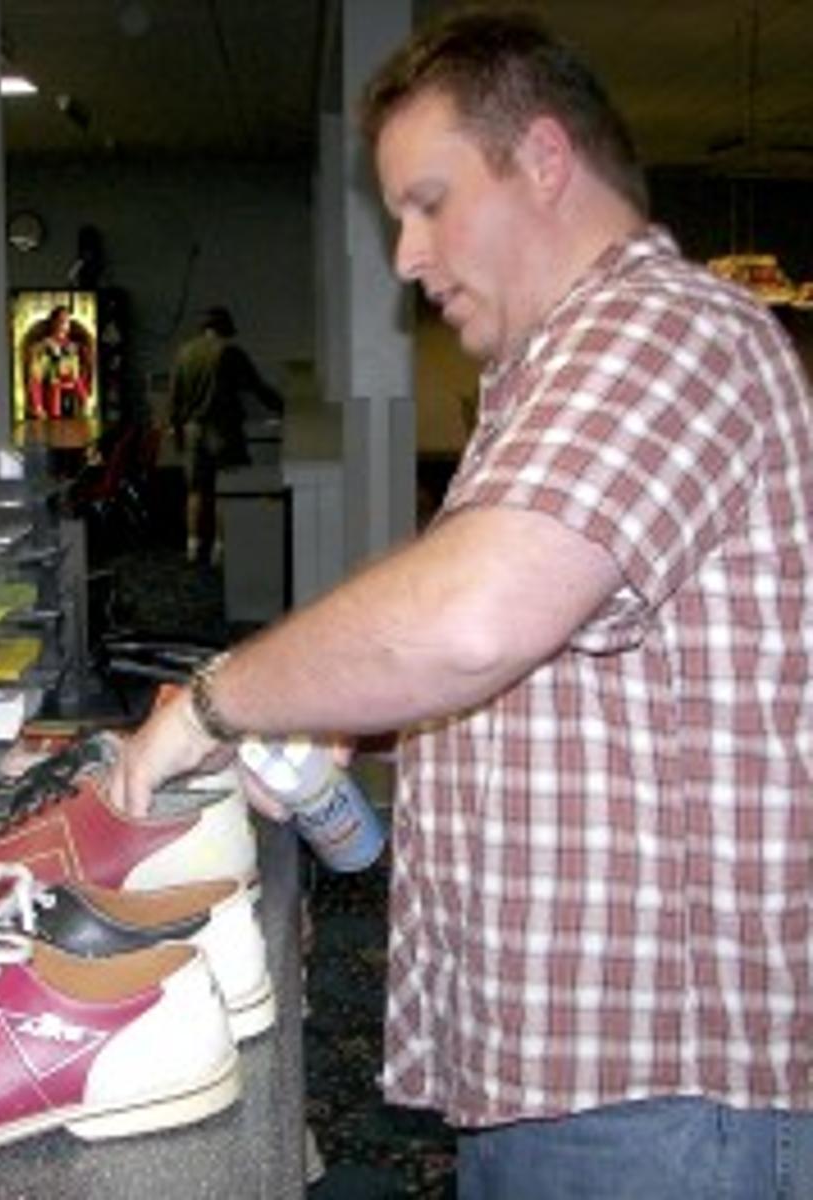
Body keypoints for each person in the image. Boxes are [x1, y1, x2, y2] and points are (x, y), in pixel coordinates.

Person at [109, 11, 813, 1199]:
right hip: (573, 1065)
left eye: (428, 201)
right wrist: (350, 717)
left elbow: (473, 619)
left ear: (544, 160)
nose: (405, 254)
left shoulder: (664, 333)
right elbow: (543, 657)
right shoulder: (547, 375)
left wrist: (219, 704)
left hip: (667, 1087)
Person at [168, 305, 283, 565]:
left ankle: (192, 546)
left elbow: (174, 398)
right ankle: (221, 549)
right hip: (223, 430)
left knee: (195, 490)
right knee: (225, 490)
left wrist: (176, 432)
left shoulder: (184, 352)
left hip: (192, 430)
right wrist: (285, 408)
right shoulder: (230, 352)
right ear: (226, 328)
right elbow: (258, 388)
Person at [24, 305, 93, 420]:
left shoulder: (73, 346)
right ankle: (39, 407)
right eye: (61, 321)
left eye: (67, 322)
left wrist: (84, 398)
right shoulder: (45, 344)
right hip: (51, 383)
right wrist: (38, 406)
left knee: (70, 367)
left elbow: (77, 373)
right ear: (53, 323)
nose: (65, 325)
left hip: (70, 383)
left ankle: (84, 401)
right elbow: (36, 375)